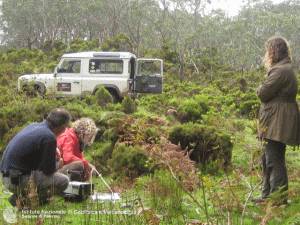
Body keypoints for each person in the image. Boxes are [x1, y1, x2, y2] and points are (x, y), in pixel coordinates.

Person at [254, 37, 300, 204]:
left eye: (269, 51)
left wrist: (259, 88)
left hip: (277, 121)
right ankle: (267, 195)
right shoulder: (284, 68)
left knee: (274, 159)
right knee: (268, 159)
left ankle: (279, 199)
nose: (267, 54)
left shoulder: (281, 70)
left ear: (274, 51)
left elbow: (263, 93)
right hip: (276, 119)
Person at [0, 108, 71, 207]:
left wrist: (55, 147)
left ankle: (21, 197)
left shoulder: (34, 126)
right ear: (63, 127)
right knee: (63, 181)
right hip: (17, 180)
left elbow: (38, 142)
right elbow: (48, 171)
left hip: (5, 176)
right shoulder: (49, 137)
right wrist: (58, 165)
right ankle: (22, 201)